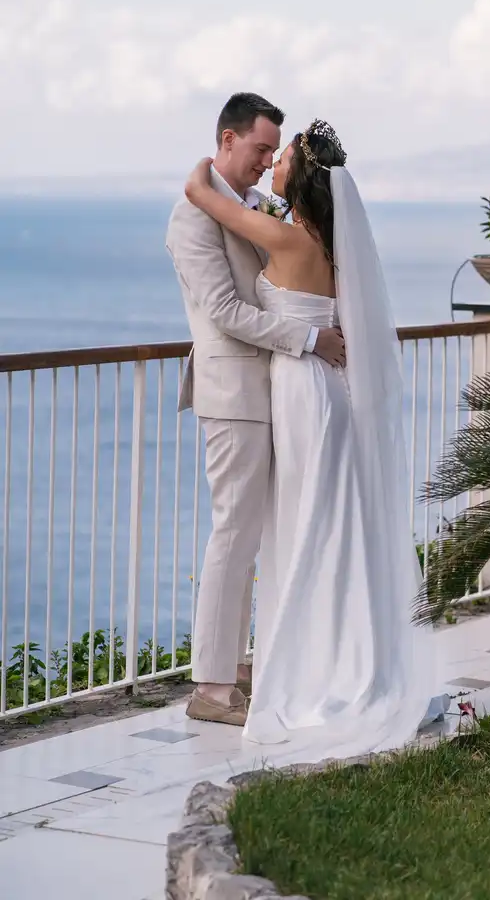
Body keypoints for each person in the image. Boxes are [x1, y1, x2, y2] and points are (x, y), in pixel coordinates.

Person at [183, 118, 439, 764]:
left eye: (281, 158)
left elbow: (205, 199)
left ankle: (312, 671)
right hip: (322, 394)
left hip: (302, 392)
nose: (271, 165)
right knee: (322, 526)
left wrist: (200, 172)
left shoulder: (286, 238)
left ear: (300, 178)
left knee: (305, 529)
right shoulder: (320, 239)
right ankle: (332, 658)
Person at [166, 94, 346, 726]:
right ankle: (211, 688)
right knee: (234, 533)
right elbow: (223, 312)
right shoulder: (191, 218)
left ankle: (246, 662)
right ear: (227, 139)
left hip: (281, 391)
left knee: (267, 534)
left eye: (275, 152)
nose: (267, 160)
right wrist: (307, 338)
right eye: (260, 149)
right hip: (235, 394)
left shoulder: (256, 207)